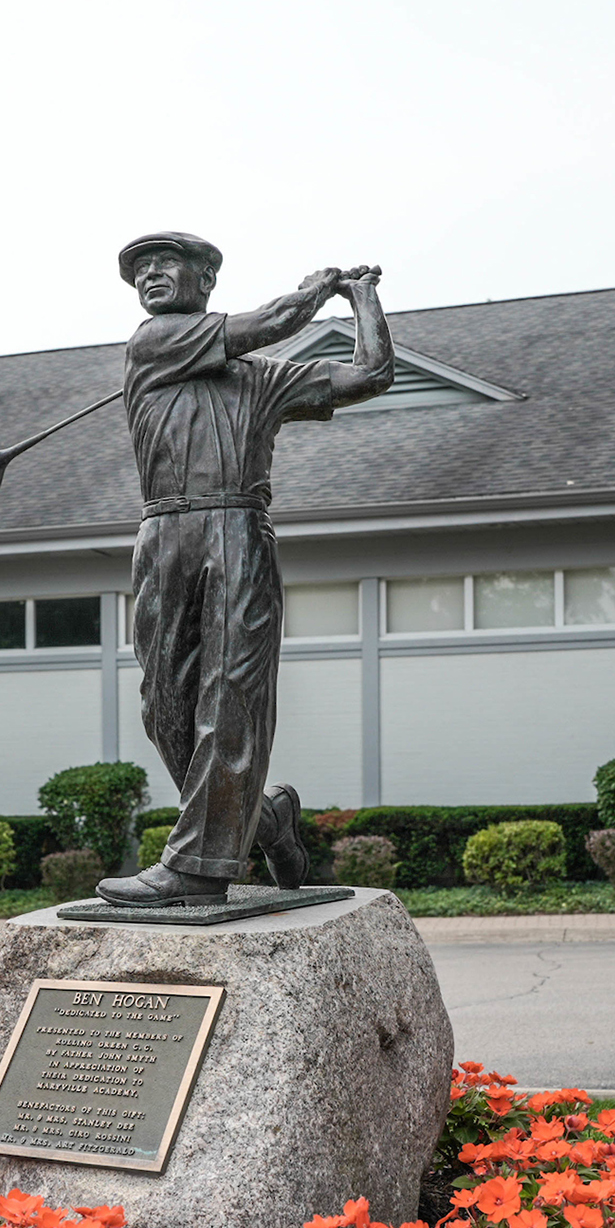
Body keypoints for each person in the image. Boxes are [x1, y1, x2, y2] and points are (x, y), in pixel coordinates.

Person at [97, 232, 394, 907]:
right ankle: (265, 819)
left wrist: (363, 298)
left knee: (230, 696)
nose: (150, 275)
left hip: (238, 529)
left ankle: (198, 868)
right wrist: (315, 293)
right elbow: (273, 320)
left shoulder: (263, 379)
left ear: (205, 280)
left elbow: (371, 374)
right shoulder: (151, 342)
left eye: (167, 263)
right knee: (166, 710)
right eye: (141, 269)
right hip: (164, 532)